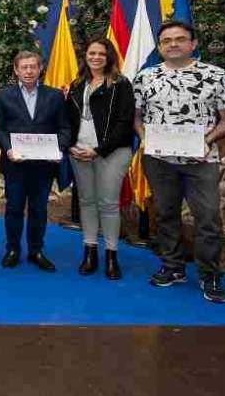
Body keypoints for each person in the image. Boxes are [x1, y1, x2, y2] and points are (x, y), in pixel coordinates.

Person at [134, 20, 225, 303]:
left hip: (201, 160)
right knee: (165, 214)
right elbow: (136, 117)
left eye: (180, 39)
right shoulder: (146, 77)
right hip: (159, 160)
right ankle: (173, 266)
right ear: (159, 47)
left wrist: (208, 139)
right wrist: (144, 138)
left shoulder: (215, 75)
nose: (173, 44)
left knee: (208, 218)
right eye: (167, 40)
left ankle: (209, 274)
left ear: (193, 44)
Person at [0, 51, 71, 272]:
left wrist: (58, 149)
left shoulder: (55, 96)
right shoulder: (3, 96)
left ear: (40, 69)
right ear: (16, 70)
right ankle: (13, 249)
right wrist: (8, 149)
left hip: (43, 166)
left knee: (39, 210)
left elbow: (65, 128)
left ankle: (36, 250)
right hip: (15, 164)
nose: (28, 71)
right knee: (14, 208)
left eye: (33, 67)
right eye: (24, 67)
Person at [66, 38, 135, 279]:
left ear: (109, 57)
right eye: (91, 53)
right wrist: (70, 146)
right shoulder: (77, 84)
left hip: (112, 152)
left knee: (108, 203)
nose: (96, 57)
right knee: (86, 201)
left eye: (101, 54)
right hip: (79, 152)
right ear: (85, 56)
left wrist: (98, 150)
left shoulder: (121, 84)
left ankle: (111, 255)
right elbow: (68, 121)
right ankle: (90, 251)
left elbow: (125, 123)